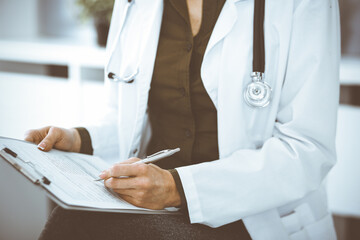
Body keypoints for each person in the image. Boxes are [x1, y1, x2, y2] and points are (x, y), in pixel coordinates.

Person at [25, 0, 340, 239]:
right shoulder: (136, 5)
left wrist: (177, 188)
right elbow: (131, 116)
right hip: (156, 204)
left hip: (256, 218)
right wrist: (80, 139)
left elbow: (307, 149)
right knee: (73, 221)